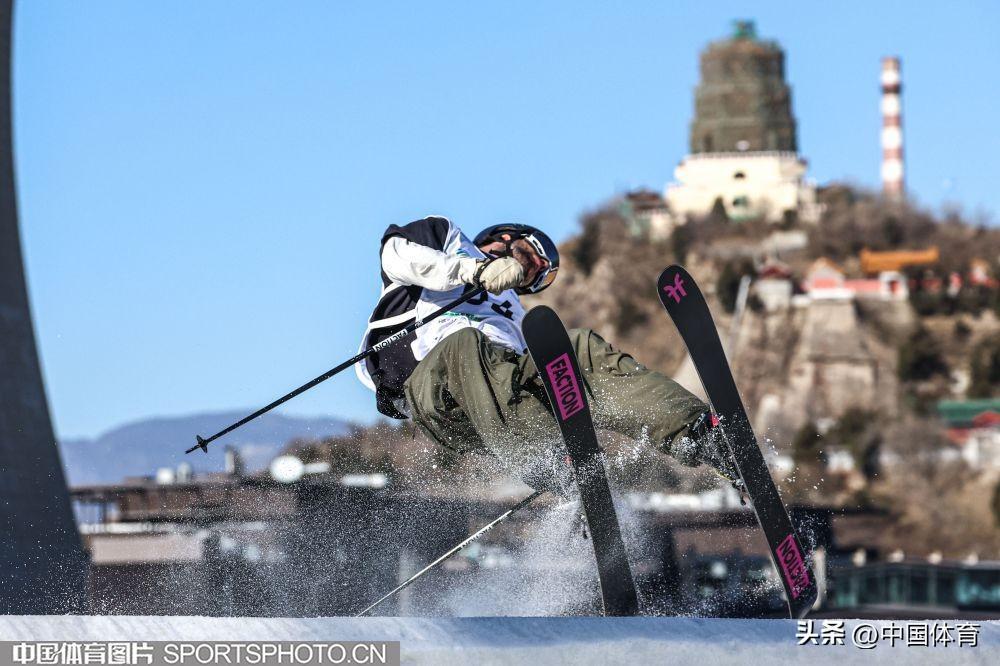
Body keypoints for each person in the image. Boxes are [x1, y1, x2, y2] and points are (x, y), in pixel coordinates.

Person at [356, 215, 740, 496]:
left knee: (577, 349)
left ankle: (697, 434)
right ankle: (545, 458)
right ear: (502, 238)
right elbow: (395, 254)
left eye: (535, 276)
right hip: (433, 388)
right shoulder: (446, 238)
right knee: (465, 345)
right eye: (527, 257)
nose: (526, 272)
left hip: (496, 405)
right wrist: (474, 270)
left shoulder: (516, 316)